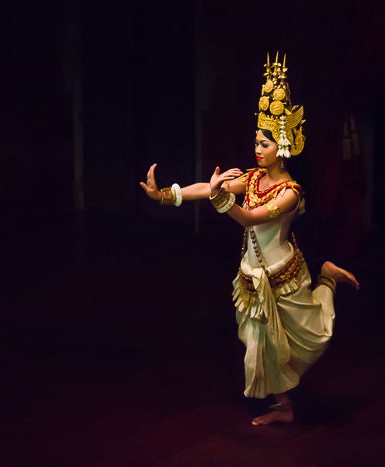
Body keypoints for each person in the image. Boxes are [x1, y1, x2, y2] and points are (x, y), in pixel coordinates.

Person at [139, 52, 359, 426]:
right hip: (252, 279)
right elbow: (206, 189)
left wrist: (220, 197)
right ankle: (283, 405)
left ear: (283, 148)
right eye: (256, 142)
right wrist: (168, 195)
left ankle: (326, 278)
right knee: (260, 345)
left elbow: (250, 218)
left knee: (310, 338)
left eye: (265, 144)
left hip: (282, 277)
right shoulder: (254, 179)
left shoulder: (290, 192)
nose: (257, 149)